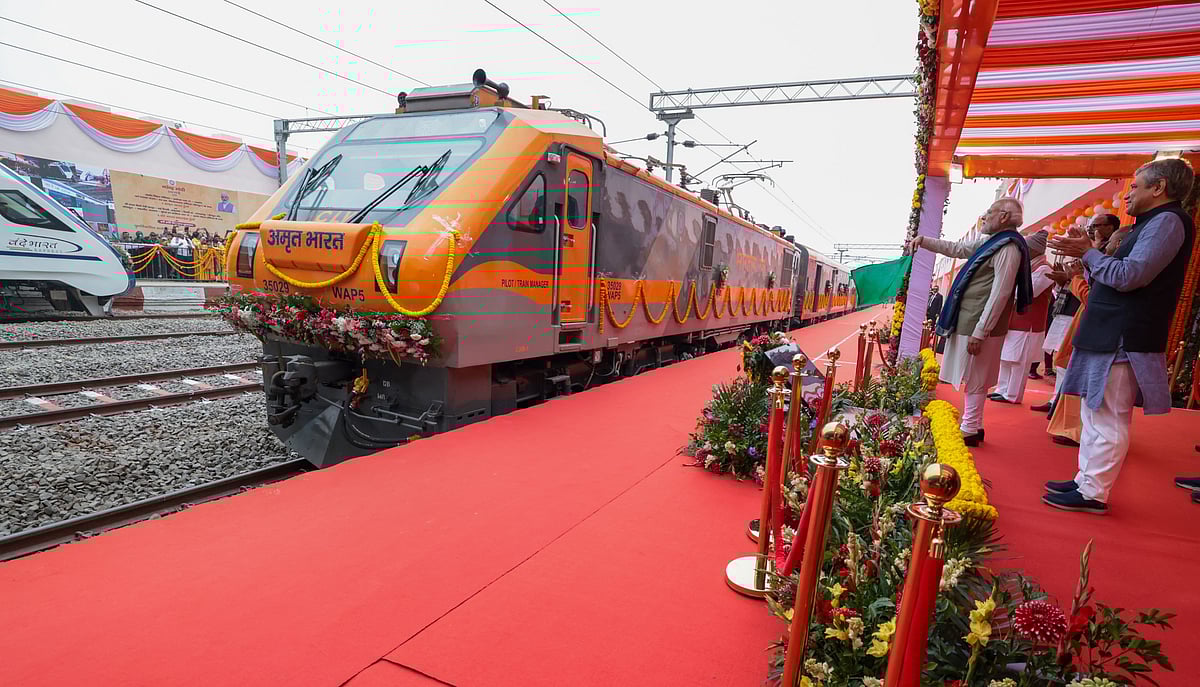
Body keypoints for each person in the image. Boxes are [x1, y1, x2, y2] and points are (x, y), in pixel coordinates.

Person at [1043, 158, 1196, 514]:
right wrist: (1086, 258)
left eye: (1135, 186)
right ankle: (1086, 480)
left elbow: (1130, 276)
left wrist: (1089, 253)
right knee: (1094, 410)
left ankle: (1093, 492)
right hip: (1111, 330)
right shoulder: (1152, 223)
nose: (1127, 194)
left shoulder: (1167, 221)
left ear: (1158, 188)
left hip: (1123, 333)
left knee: (1108, 414)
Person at [912, 198, 1033, 446]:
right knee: (974, 376)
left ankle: (969, 427)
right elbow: (958, 249)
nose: (984, 217)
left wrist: (981, 332)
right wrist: (924, 241)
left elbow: (1000, 294)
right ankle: (974, 426)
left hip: (978, 325)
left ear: (1003, 217)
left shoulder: (1008, 248)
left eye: (989, 212)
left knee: (977, 377)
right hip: (970, 320)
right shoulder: (993, 242)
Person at [990, 231, 1052, 405]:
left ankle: (1013, 395)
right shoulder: (1026, 267)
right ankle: (1001, 389)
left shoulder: (1045, 269)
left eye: (1026, 248)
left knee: (1019, 361)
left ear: (1035, 250)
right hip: (1013, 320)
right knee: (1005, 357)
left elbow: (1027, 293)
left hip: (1029, 323)